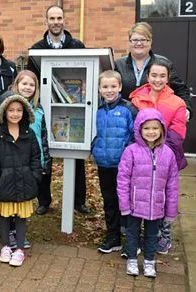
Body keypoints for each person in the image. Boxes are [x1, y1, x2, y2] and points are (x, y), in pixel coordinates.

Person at [26, 4, 90, 214]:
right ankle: (44, 201)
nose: (56, 22)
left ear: (64, 20)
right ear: (47, 22)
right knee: (45, 155)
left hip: (73, 106)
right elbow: (31, 79)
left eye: (59, 18)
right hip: (44, 110)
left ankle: (78, 200)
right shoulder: (37, 48)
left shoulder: (77, 45)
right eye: (52, 18)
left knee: (76, 156)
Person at [129, 59, 187, 254]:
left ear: (168, 78)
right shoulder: (136, 99)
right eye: (154, 75)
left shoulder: (177, 102)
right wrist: (141, 154)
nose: (158, 79)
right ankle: (138, 236)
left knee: (163, 196)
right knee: (141, 195)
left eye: (162, 76)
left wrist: (158, 154)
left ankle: (164, 237)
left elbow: (176, 133)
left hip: (166, 158)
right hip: (140, 159)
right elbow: (134, 130)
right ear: (147, 76)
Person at [117, 108, 179, 278]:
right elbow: (122, 180)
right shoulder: (131, 151)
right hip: (134, 204)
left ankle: (149, 262)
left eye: (155, 128)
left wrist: (170, 210)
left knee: (152, 235)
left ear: (162, 130)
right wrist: (124, 204)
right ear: (139, 129)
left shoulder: (168, 154)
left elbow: (172, 185)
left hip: (156, 206)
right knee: (132, 234)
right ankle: (131, 259)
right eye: (146, 128)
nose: (151, 132)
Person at [0, 94, 42, 267]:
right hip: (5, 184)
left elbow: (35, 157)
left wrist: (34, 176)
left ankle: (20, 249)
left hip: (25, 182)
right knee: (5, 217)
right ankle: (6, 247)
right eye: (11, 110)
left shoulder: (28, 133)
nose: (15, 114)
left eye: (19, 110)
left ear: (24, 112)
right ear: (3, 112)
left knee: (21, 217)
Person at [0, 70, 50, 248]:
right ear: (16, 85)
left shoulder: (39, 109)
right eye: (24, 83)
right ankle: (9, 234)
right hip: (9, 160)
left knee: (22, 200)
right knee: (9, 199)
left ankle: (19, 234)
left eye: (32, 84)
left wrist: (43, 162)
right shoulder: (7, 106)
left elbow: (43, 137)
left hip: (30, 161)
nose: (28, 87)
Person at [91, 70, 137, 254]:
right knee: (109, 201)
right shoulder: (99, 110)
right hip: (104, 164)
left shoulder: (129, 109)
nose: (109, 90)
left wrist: (129, 155)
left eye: (113, 86)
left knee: (126, 202)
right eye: (105, 87)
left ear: (120, 87)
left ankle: (132, 241)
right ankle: (113, 237)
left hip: (124, 166)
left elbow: (136, 135)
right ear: (100, 89)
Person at [115, 22, 192, 120]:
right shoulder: (118, 64)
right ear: (129, 42)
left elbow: (181, 89)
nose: (139, 43)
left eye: (143, 39)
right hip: (125, 121)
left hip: (155, 124)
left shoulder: (163, 63)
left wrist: (186, 109)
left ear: (150, 41)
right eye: (134, 40)